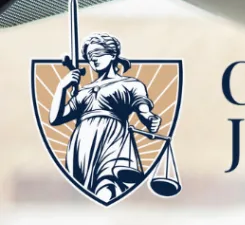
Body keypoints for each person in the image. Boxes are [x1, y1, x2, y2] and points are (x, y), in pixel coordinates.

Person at [49, 33, 161, 202]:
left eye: (97, 53)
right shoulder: (83, 92)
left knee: (108, 182)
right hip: (82, 143)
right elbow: (55, 118)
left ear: (113, 54)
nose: (93, 59)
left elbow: (142, 108)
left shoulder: (130, 84)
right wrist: (62, 87)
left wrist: (149, 118)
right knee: (85, 188)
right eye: (89, 56)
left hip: (112, 138)